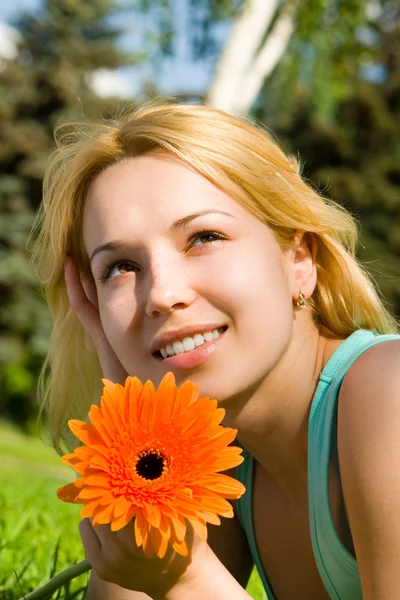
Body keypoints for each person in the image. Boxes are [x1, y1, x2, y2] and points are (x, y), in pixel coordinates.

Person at [30, 101, 400, 600]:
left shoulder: (388, 390)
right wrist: (135, 425)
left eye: (204, 237)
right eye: (118, 267)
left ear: (299, 259)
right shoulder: (228, 457)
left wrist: (186, 579)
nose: (161, 294)